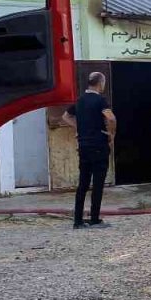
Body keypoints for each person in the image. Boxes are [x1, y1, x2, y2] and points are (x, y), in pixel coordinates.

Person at [62, 72, 116, 230]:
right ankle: (94, 219)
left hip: (83, 145)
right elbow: (111, 118)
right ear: (100, 83)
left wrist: (79, 128)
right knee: (98, 183)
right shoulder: (100, 100)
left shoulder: (79, 100)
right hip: (98, 145)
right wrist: (111, 134)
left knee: (83, 183)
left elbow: (65, 116)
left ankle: (78, 220)